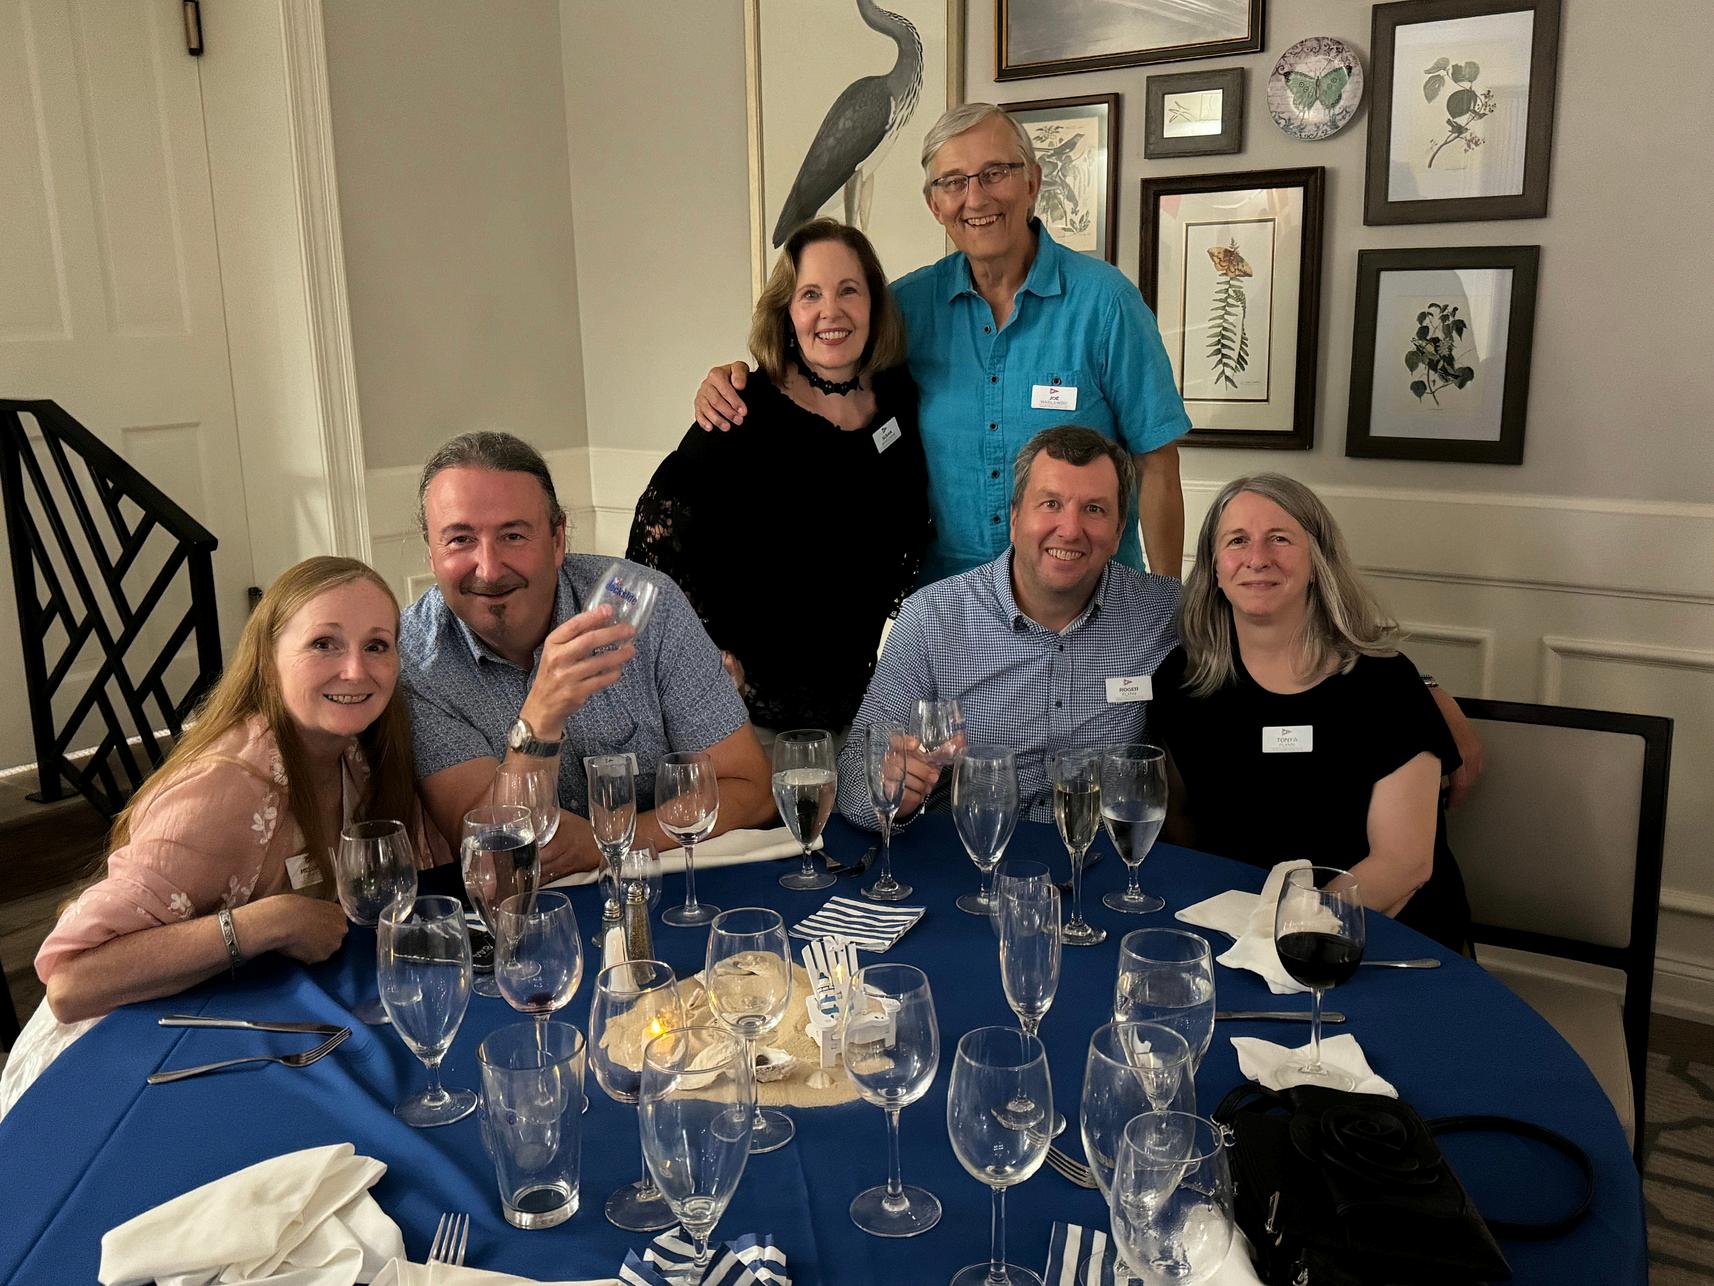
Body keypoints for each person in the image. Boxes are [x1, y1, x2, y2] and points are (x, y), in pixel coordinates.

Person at [2, 556, 435, 1117]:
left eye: (376, 645)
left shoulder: (353, 757)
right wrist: (265, 923)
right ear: (268, 661)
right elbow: (71, 984)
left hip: (232, 1029)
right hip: (108, 1066)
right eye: (324, 644)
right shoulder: (228, 783)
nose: (355, 670)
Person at [695, 103, 1191, 583]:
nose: (975, 198)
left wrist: (1166, 610)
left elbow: (1157, 465)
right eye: (953, 182)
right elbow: (824, 360)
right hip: (953, 610)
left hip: (1089, 604)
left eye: (995, 173)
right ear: (935, 205)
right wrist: (738, 380)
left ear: (1032, 183)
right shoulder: (907, 308)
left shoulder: (1106, 305)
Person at [401, 432, 774, 881]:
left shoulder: (649, 606)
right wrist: (541, 718)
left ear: (557, 539)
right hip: (531, 913)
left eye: (513, 535)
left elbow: (750, 789)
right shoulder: (415, 662)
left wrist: (607, 842)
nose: (490, 568)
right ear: (430, 552)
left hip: (672, 889)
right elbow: (493, 861)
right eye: (460, 539)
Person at [627, 218, 930, 734]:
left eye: (848, 290)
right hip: (746, 719)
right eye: (811, 294)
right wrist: (705, 658)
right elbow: (654, 542)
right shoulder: (740, 408)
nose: (830, 312)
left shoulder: (898, 400)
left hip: (855, 711)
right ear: (787, 311)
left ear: (874, 304)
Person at [1151, 474, 1472, 949]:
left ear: (1318, 561)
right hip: (1238, 931)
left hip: (1384, 936)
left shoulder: (1385, 685)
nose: (1257, 558)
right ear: (1214, 568)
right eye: (1237, 540)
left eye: (1280, 538)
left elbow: (1403, 864)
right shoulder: (1182, 680)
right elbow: (1179, 821)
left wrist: (1290, 933)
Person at [834, 425, 1179, 827]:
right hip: (968, 853)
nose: (1070, 529)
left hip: (1104, 855)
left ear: (1119, 532)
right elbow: (855, 775)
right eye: (1051, 503)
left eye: (1094, 509)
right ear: (1015, 518)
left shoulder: (1165, 611)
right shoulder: (931, 619)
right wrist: (888, 786)